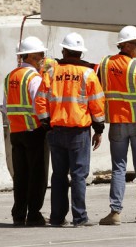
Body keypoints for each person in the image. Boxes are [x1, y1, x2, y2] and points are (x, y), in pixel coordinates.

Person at [35, 32, 105, 227]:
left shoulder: (51, 71)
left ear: (64, 51)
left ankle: (57, 218)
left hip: (56, 130)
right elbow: (97, 104)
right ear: (81, 54)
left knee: (58, 175)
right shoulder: (88, 74)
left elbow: (40, 99)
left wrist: (46, 123)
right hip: (79, 132)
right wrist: (99, 129)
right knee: (78, 176)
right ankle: (80, 218)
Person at [98, 25, 136, 226]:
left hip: (117, 124)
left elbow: (96, 88)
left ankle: (115, 212)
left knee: (118, 168)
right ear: (126, 45)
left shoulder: (104, 65)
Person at [2, 36, 49, 227]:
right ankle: (34, 214)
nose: (43, 58)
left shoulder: (10, 76)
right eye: (40, 54)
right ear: (29, 56)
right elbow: (40, 106)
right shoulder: (34, 78)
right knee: (37, 175)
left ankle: (19, 214)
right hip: (34, 130)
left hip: (16, 132)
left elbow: (5, 107)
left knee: (20, 175)